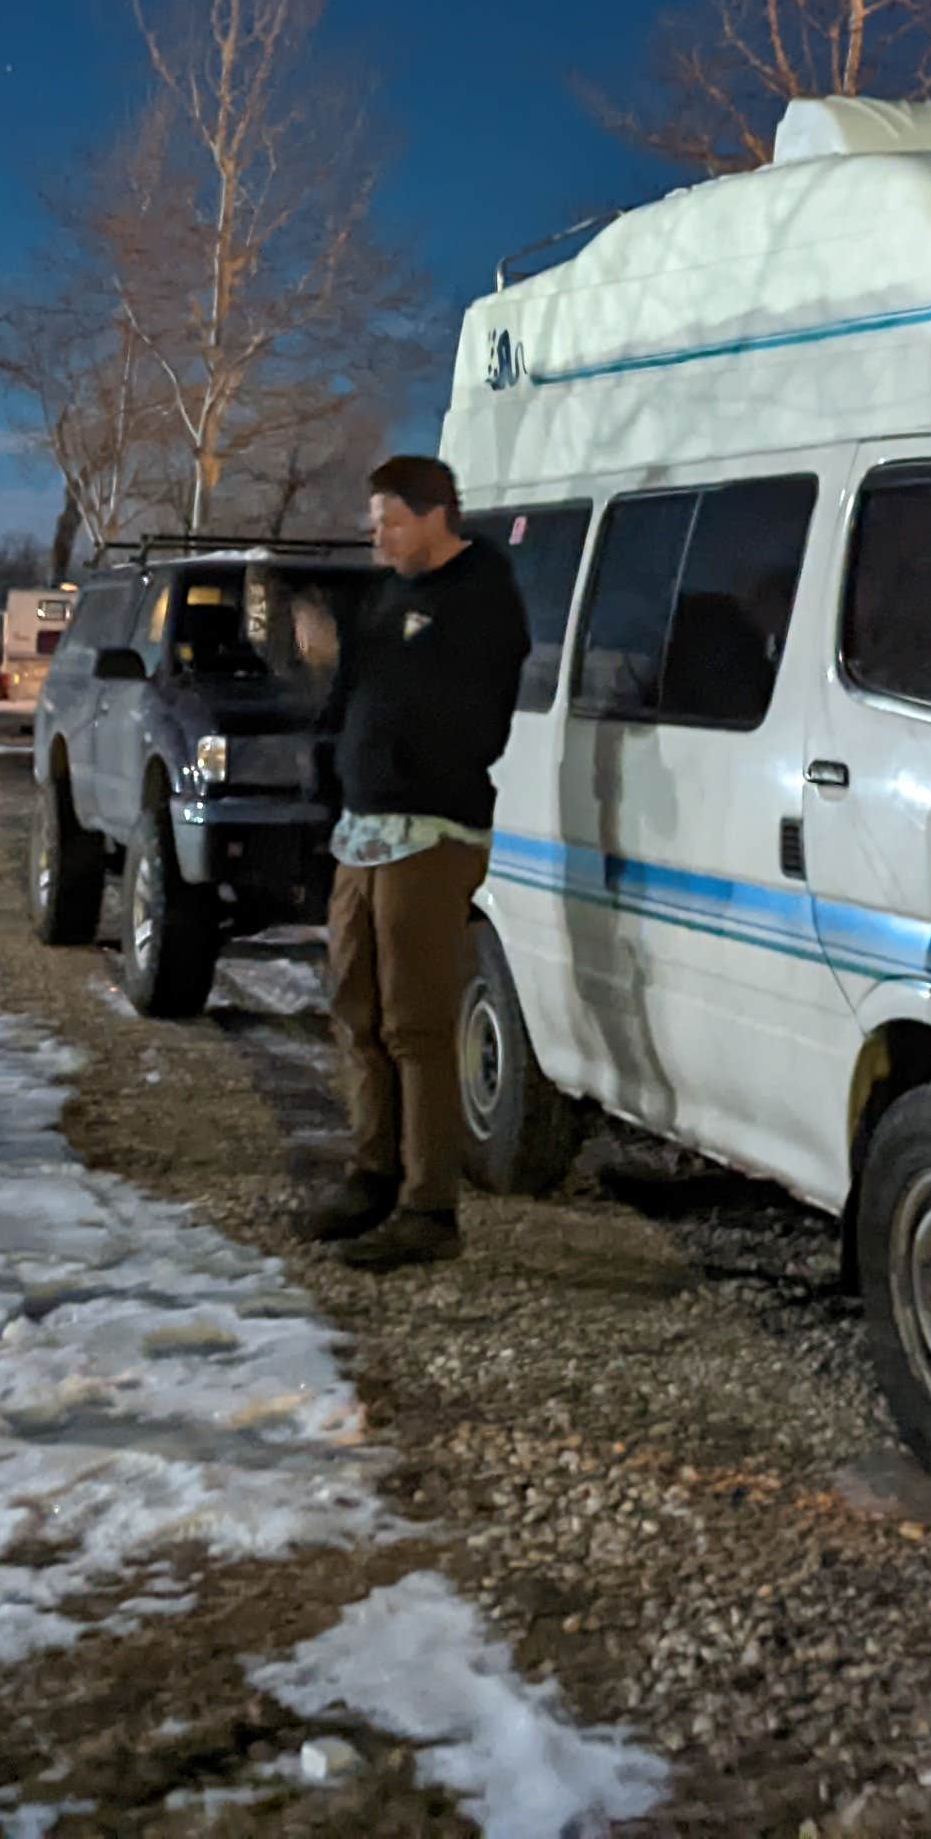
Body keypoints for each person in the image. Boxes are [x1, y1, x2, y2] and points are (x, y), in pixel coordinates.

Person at [303, 452, 532, 1269]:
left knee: (415, 1022)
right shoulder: (392, 594)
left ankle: (429, 1208)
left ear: (437, 514)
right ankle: (373, 1172)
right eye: (374, 526)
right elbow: (365, 687)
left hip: (432, 832)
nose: (379, 541)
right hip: (363, 831)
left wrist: (378, 656)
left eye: (391, 523)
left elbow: (456, 704)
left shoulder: (481, 597)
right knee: (354, 1005)